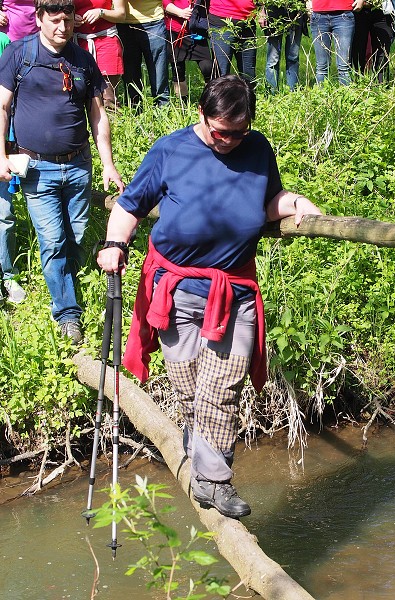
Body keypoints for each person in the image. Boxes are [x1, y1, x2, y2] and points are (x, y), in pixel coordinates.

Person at [97, 75, 322, 519]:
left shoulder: (257, 148)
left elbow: (266, 202)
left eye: (239, 132)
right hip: (177, 292)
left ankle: (214, 482)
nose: (230, 142)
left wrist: (295, 202)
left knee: (221, 390)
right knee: (188, 389)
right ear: (200, 116)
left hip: (234, 293)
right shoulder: (171, 150)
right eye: (222, 133)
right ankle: (199, 452)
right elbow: (129, 205)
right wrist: (116, 245)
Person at [0, 0, 124, 343]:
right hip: (36, 167)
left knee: (78, 235)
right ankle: (68, 313)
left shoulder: (82, 59)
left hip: (78, 164)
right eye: (54, 20)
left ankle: (73, 278)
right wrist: (0, 156)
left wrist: (108, 165)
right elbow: (2, 106)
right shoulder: (18, 54)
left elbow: (98, 116)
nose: (61, 28)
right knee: (53, 240)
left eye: (67, 20)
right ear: (39, 19)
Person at [0, 1, 39, 305]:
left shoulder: (5, 45)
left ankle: (6, 275)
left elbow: (9, 102)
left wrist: (8, 146)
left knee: (4, 215)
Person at [116, 0, 170, 107]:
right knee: (130, 75)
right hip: (124, 24)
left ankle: (162, 112)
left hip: (153, 23)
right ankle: (135, 112)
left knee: (159, 74)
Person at [73, 0, 126, 109]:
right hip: (78, 42)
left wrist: (101, 13)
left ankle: (113, 123)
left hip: (106, 40)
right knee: (80, 91)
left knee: (108, 96)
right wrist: (70, 18)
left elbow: (121, 14)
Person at [163, 0, 213, 102]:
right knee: (178, 69)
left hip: (197, 29)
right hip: (175, 29)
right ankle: (183, 104)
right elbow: (164, 2)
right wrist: (180, 12)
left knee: (207, 67)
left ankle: (210, 101)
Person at [309, 0, 364, 85]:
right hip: (318, 15)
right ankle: (321, 96)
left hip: (343, 14)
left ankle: (346, 96)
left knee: (344, 66)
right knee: (321, 67)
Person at [259, 1, 308, 92]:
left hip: (296, 13)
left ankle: (293, 93)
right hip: (273, 12)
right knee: (272, 59)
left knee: (293, 57)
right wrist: (262, 10)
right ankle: (271, 94)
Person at [208, 0, 257, 82]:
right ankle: (221, 94)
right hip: (221, 22)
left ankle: (248, 94)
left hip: (248, 22)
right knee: (221, 73)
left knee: (249, 73)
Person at [352, 2, 395, 83]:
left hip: (382, 10)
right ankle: (357, 85)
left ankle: (382, 86)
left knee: (382, 52)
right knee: (357, 51)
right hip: (357, 10)